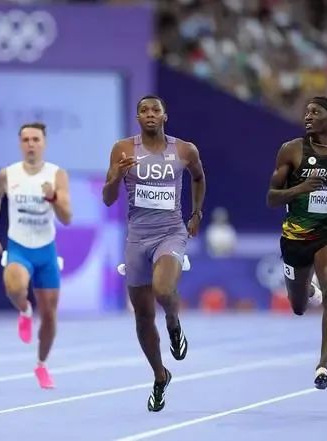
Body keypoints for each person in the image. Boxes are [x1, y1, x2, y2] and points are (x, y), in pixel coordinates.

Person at [102, 95, 206, 412]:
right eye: (144, 110)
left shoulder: (185, 150)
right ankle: (160, 376)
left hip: (171, 232)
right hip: (137, 236)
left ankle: (173, 322)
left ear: (164, 116)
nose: (150, 114)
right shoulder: (123, 149)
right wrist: (116, 176)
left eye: (155, 110)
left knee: (163, 289)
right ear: (137, 118)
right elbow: (108, 198)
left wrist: (196, 213)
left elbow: (198, 177)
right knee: (143, 315)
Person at [267, 96, 327, 390]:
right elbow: (271, 197)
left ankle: (323, 366)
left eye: (314, 112)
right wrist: (302, 188)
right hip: (297, 237)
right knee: (298, 306)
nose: (307, 116)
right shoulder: (292, 150)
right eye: (306, 112)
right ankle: (308, 288)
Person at [0, 122, 72, 389]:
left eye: (36, 139)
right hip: (19, 247)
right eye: (26, 140)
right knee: (14, 287)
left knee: (50, 317)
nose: (31, 144)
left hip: (46, 252)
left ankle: (41, 365)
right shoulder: (7, 174)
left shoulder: (57, 174)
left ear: (44, 143)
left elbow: (67, 218)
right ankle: (24, 309)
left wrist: (53, 198)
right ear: (20, 144)